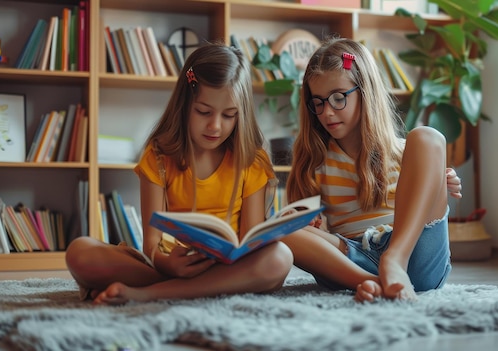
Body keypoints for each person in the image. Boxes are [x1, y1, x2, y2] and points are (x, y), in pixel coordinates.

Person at [65, 42, 293, 305]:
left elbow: (251, 240)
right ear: (184, 104)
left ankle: (149, 294)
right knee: (79, 252)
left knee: (280, 257)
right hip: (168, 267)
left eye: (230, 115)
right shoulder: (159, 156)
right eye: (203, 112)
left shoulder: (251, 160)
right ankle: (201, 288)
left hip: (229, 267)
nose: (215, 126)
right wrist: (167, 264)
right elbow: (151, 245)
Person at [282, 37, 462, 303]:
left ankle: (395, 262)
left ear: (365, 91)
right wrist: (308, 221)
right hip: (354, 258)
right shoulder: (315, 159)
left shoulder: (407, 150)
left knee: (427, 137)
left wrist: (441, 182)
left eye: (338, 98)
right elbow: (303, 222)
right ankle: (372, 283)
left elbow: (430, 203)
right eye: (318, 102)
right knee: (282, 228)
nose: (327, 112)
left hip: (414, 252)